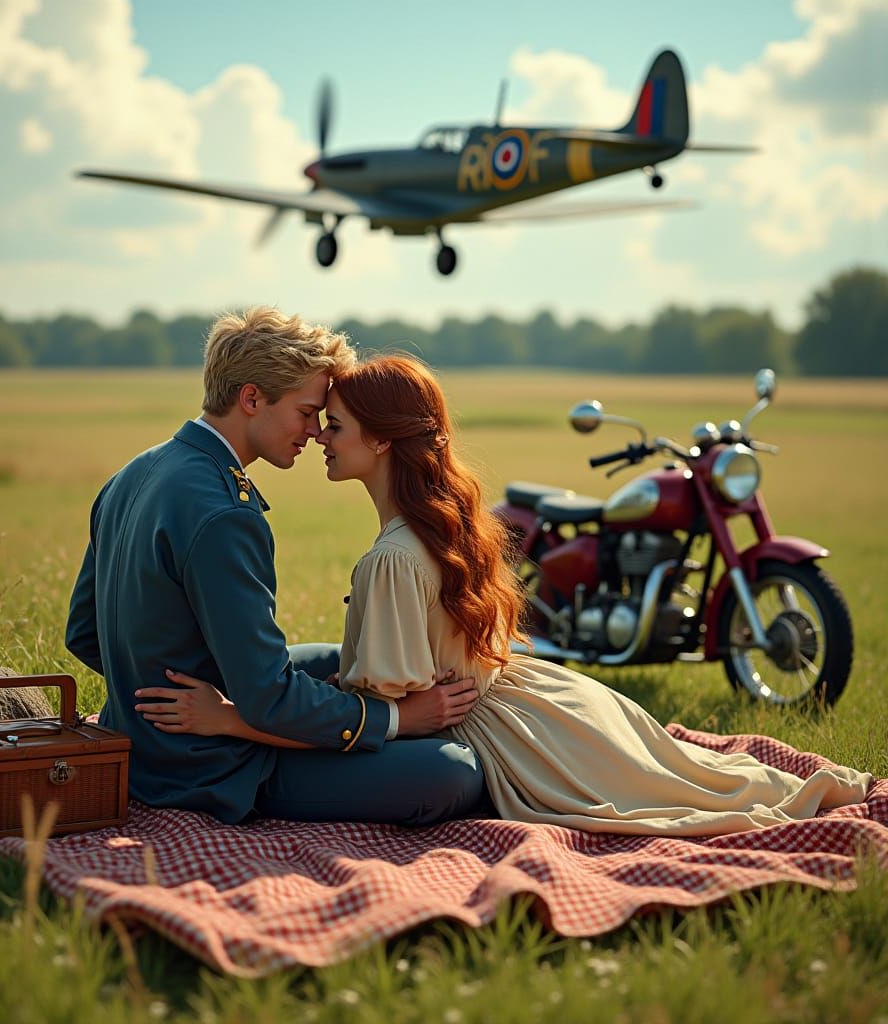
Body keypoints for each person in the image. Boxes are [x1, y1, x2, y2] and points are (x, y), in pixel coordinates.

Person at [139, 354, 872, 836]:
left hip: (495, 731)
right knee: (688, 777)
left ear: (384, 442)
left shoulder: (389, 562)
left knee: (677, 793)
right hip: (545, 698)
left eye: (337, 426)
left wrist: (233, 721)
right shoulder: (450, 525)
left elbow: (383, 719)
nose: (323, 439)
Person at [66, 312, 487, 827]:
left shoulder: (133, 472)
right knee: (455, 771)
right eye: (307, 412)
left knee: (341, 657)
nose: (314, 433)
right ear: (251, 400)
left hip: (157, 732)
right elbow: (268, 701)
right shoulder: (225, 513)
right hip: (215, 765)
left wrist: (152, 692)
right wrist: (399, 718)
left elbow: (84, 634)